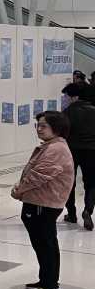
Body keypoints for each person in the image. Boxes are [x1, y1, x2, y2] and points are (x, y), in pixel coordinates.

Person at [12, 112, 74, 289]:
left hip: (43, 202)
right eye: (37, 125)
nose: (39, 129)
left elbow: (39, 175)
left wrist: (19, 190)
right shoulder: (52, 146)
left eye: (43, 126)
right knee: (44, 243)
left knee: (45, 244)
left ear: (57, 128)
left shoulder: (56, 149)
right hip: (40, 201)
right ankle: (47, 280)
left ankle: (48, 288)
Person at [63, 84, 95, 228]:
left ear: (73, 97)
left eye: (66, 96)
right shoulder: (94, 111)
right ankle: (88, 210)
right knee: (91, 183)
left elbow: (62, 133)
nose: (65, 99)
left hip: (71, 151)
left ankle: (71, 214)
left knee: (70, 182)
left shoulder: (66, 112)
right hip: (92, 151)